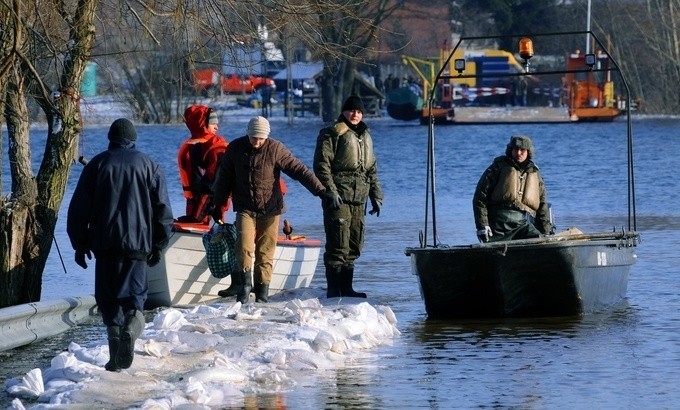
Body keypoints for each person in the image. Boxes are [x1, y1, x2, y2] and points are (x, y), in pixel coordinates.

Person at [67, 118, 174, 372]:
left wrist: (79, 245)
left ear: (110, 139)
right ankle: (130, 331)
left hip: (104, 246)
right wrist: (159, 244)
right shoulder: (150, 165)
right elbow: (163, 211)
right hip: (138, 246)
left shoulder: (97, 164)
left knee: (108, 301)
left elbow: (78, 211)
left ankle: (115, 359)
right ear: (133, 139)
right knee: (134, 301)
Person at [211, 116, 327, 303]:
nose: (257, 142)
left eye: (261, 138)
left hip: (271, 207)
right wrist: (218, 204)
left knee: (265, 251)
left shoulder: (275, 149)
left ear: (267, 137)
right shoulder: (235, 148)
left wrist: (321, 191)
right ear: (248, 134)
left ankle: (262, 293)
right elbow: (224, 178)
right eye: (254, 137)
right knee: (243, 247)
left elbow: (299, 170)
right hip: (245, 207)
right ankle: (244, 288)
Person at [313, 95, 383, 299]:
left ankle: (347, 288)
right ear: (344, 112)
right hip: (339, 196)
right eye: (352, 111)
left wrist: (376, 196)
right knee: (338, 243)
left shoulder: (366, 136)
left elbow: (372, 170)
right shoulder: (332, 133)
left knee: (354, 243)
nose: (355, 115)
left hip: (359, 197)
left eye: (359, 112)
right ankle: (334, 290)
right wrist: (330, 191)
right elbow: (322, 165)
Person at [472, 134, 554, 243]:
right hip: (498, 225)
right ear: (510, 150)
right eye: (515, 149)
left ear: (528, 152)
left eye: (522, 150)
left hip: (522, 224)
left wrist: (546, 231)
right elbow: (480, 197)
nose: (518, 153)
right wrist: (482, 226)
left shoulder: (535, 173)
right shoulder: (497, 167)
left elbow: (542, 204)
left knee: (541, 241)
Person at [177, 105, 229, 224]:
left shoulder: (216, 147)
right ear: (201, 123)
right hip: (195, 201)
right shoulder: (194, 145)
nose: (217, 126)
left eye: (217, 123)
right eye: (213, 123)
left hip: (210, 204)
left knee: (214, 231)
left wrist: (196, 216)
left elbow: (212, 184)